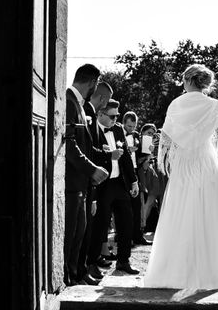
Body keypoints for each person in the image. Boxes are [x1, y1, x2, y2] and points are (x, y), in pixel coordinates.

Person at [144, 64, 218, 289]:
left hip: (184, 166)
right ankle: (211, 273)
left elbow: (167, 140)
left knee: (180, 213)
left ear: (188, 79)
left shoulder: (175, 104)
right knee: (208, 215)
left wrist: (160, 143)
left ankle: (175, 271)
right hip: (206, 164)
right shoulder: (214, 105)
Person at [64, 64, 109, 286]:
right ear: (92, 82)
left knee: (79, 235)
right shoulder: (68, 101)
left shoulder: (78, 104)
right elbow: (69, 145)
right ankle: (68, 276)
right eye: (96, 85)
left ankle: (76, 273)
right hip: (71, 182)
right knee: (71, 235)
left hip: (81, 184)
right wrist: (92, 169)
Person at [87, 99, 140, 275]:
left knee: (127, 222)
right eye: (112, 116)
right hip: (102, 184)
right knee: (100, 225)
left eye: (117, 115)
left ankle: (123, 261)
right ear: (100, 114)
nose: (115, 119)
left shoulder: (117, 129)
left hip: (120, 183)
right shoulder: (92, 129)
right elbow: (92, 154)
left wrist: (133, 181)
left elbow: (125, 157)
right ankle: (92, 263)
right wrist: (110, 155)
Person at [120, 111, 151, 246]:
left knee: (137, 206)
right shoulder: (118, 134)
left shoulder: (137, 136)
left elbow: (140, 157)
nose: (131, 129)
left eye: (133, 126)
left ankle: (138, 236)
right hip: (122, 174)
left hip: (135, 172)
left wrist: (148, 151)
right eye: (128, 126)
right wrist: (127, 151)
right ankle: (125, 238)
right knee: (125, 209)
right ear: (123, 123)